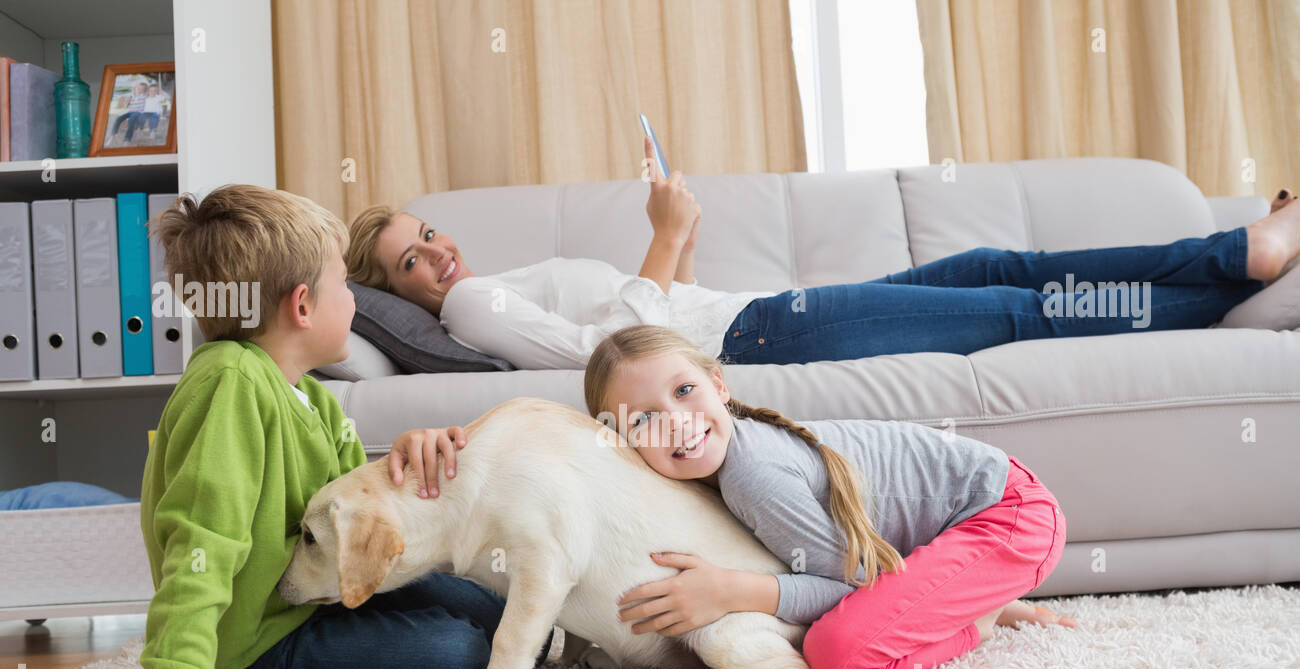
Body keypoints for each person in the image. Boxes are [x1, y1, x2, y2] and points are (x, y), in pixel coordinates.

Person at [139, 184, 550, 669]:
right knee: (459, 653)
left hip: (315, 595)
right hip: (257, 641)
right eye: (343, 284)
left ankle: (521, 636)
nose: (354, 300)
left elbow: (345, 510)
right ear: (303, 306)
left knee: (489, 599)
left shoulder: (314, 398)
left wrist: (399, 461)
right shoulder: (230, 387)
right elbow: (197, 551)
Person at [343, 136, 1300, 371]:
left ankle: (1232, 253)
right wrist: (668, 237)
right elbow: (614, 358)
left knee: (995, 266)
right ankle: (1239, 260)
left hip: (766, 314)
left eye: (427, 235)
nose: (436, 256)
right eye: (408, 263)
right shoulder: (468, 313)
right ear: (395, 295)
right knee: (1014, 314)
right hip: (758, 340)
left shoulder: (490, 284)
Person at [583, 323, 1080, 669]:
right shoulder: (714, 472)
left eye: (685, 391)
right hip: (973, 516)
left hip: (1011, 515)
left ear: (719, 385)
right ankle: (967, 594)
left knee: (837, 653)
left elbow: (854, 581)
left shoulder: (754, 474)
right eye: (644, 419)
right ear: (622, 442)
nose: (675, 421)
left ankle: (980, 618)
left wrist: (734, 590)